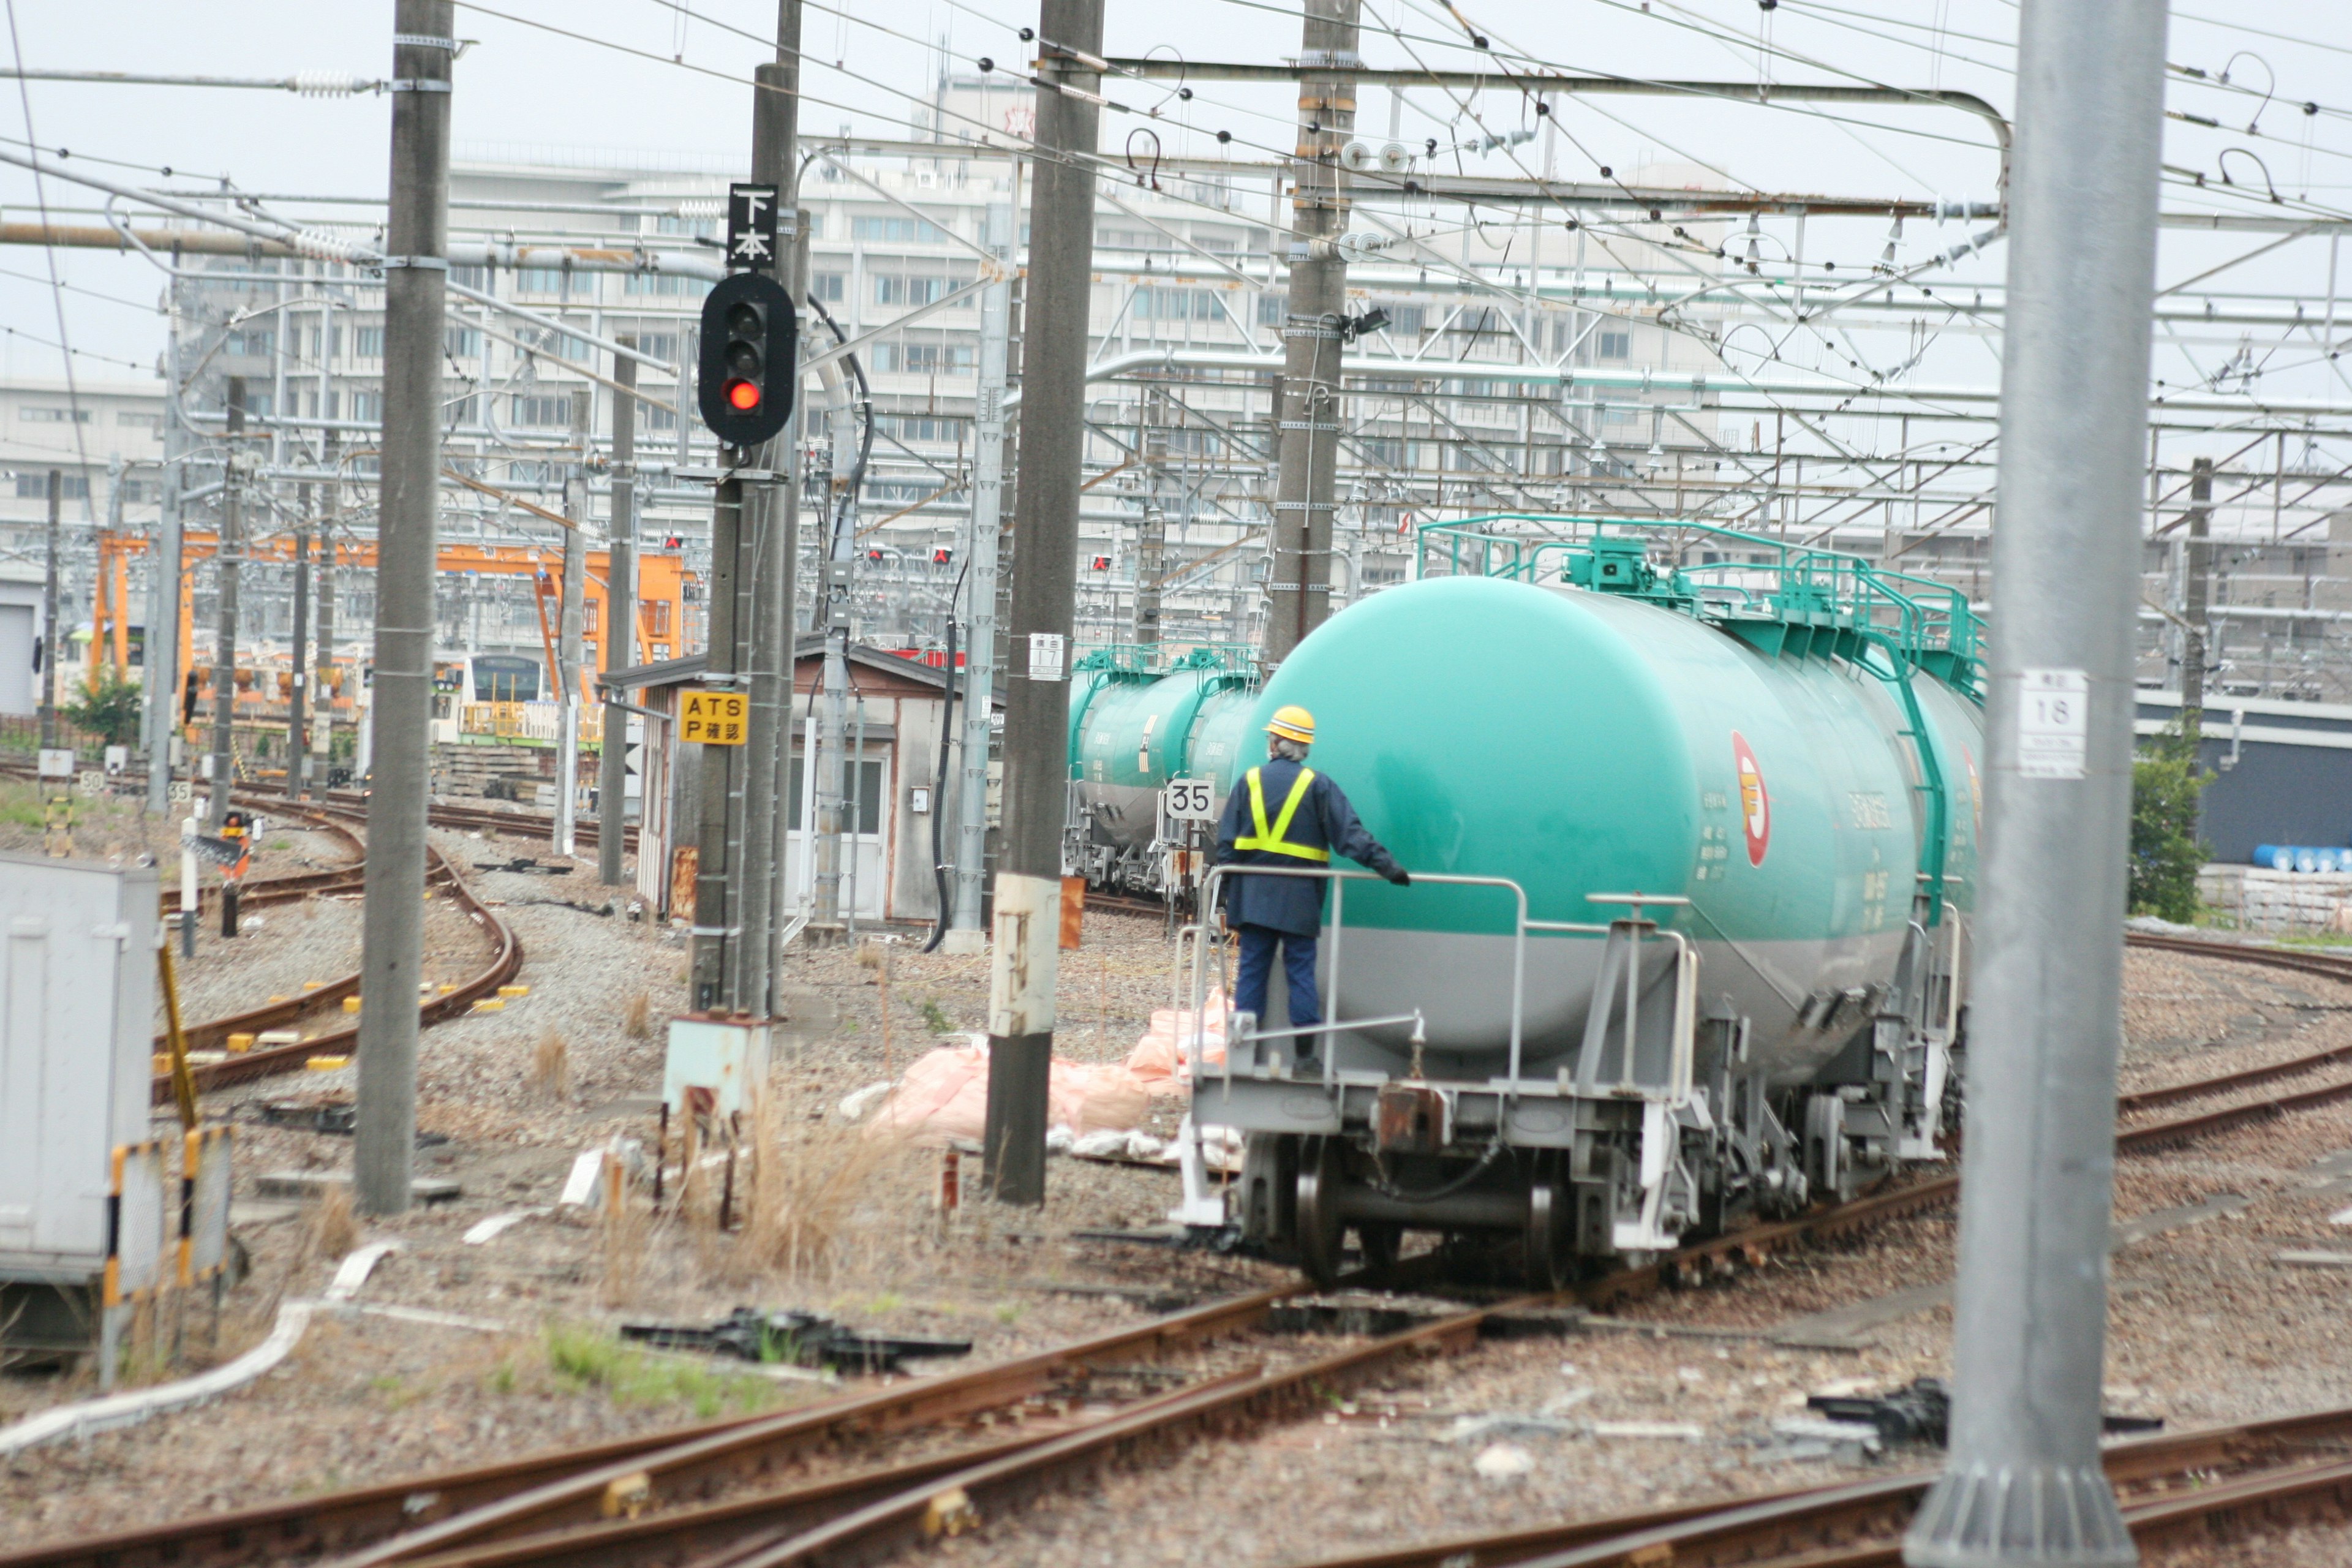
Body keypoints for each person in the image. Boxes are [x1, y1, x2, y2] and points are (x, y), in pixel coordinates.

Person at [1214, 704, 1409, 1061]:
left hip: (1253, 899)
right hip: (1300, 901)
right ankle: (1306, 1058)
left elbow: (1226, 846)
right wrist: (1390, 868)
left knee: (1251, 975)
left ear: (1275, 742)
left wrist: (1229, 893)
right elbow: (1350, 836)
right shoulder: (1318, 786)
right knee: (1301, 976)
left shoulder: (1249, 783)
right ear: (1303, 748)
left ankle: (1242, 1055)